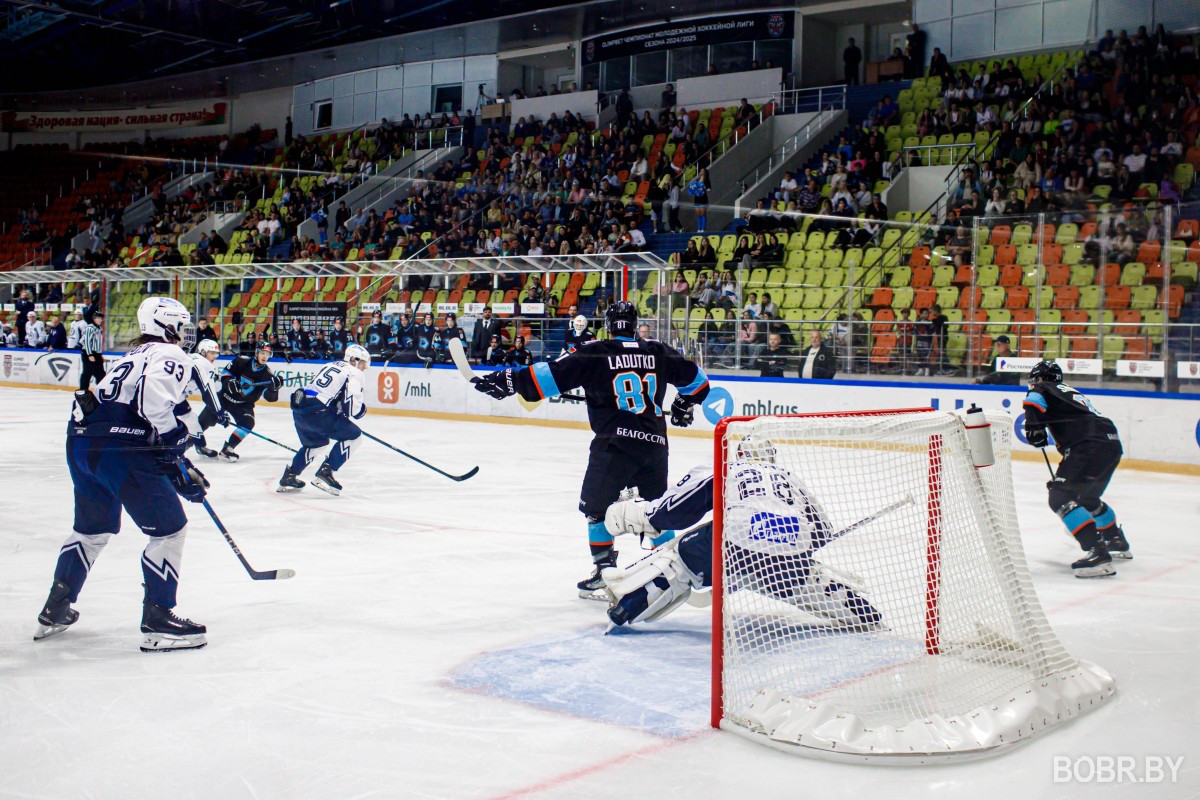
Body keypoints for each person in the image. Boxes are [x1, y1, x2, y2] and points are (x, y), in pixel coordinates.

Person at [472, 301, 710, 598]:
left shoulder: (597, 350)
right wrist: (683, 403)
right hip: (655, 444)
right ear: (636, 325)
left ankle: (603, 570)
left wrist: (507, 381)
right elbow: (699, 383)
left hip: (615, 443)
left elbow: (548, 377)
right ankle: (672, 570)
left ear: (609, 325)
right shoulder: (656, 350)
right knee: (655, 509)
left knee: (596, 510)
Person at [34, 297, 209, 651]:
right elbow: (153, 404)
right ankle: (158, 620)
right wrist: (175, 446)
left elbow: (125, 404)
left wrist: (174, 457)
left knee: (91, 530)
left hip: (83, 445)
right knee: (170, 530)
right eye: (182, 324)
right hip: (120, 450)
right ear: (167, 325)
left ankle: (56, 608)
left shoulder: (129, 357)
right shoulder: (171, 355)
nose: (186, 332)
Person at [599, 436, 881, 629]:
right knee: (804, 578)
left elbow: (677, 510)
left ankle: (624, 610)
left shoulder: (726, 468)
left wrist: (643, 514)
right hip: (789, 550)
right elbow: (820, 532)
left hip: (733, 545)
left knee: (679, 560)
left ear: (740, 454)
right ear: (772, 456)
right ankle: (867, 614)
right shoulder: (788, 478)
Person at [1023, 361, 1130, 577]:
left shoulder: (1043, 388)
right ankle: (1114, 539)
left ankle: (1097, 552)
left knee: (1060, 496)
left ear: (1039, 378)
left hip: (1087, 446)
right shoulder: (1069, 391)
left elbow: (1032, 400)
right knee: (1088, 500)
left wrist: (1034, 428)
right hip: (1111, 443)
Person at [278, 344, 370, 496]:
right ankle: (327, 470)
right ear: (353, 359)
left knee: (315, 444)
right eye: (363, 363)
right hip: (319, 413)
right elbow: (352, 409)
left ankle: (290, 475)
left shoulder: (330, 364)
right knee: (354, 436)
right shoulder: (354, 372)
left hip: (301, 410)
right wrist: (362, 410)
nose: (364, 368)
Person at [212, 340, 283, 462]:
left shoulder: (268, 375)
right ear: (256, 352)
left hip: (243, 405)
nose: (265, 356)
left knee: (248, 423)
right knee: (204, 420)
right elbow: (225, 373)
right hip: (224, 398)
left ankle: (228, 449)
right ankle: (194, 442)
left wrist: (274, 389)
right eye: (262, 353)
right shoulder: (242, 361)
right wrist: (229, 382)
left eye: (268, 354)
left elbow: (270, 398)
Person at [183, 339, 228, 458]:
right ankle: (171, 449)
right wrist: (219, 412)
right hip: (172, 397)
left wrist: (213, 376)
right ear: (203, 352)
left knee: (190, 418)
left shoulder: (192, 357)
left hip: (172, 395)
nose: (215, 356)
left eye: (216, 353)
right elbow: (209, 393)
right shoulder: (206, 365)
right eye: (212, 353)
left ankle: (199, 446)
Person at [78, 309, 105, 390]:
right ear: (93, 319)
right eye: (98, 318)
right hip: (88, 353)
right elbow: (87, 342)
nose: (99, 320)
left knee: (101, 373)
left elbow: (97, 343)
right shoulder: (90, 328)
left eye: (101, 318)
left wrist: (100, 354)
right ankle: (83, 390)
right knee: (87, 373)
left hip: (96, 354)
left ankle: (101, 390)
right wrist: (90, 354)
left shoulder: (99, 328)